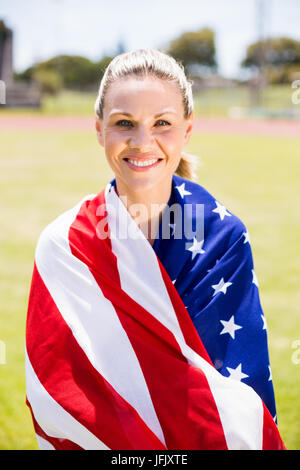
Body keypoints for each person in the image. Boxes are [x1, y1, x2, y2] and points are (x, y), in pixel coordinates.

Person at [25, 49, 285, 450]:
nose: (142, 141)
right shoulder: (64, 245)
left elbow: (239, 395)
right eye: (124, 123)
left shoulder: (222, 237)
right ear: (99, 130)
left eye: (162, 123)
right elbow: (59, 395)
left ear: (187, 130)